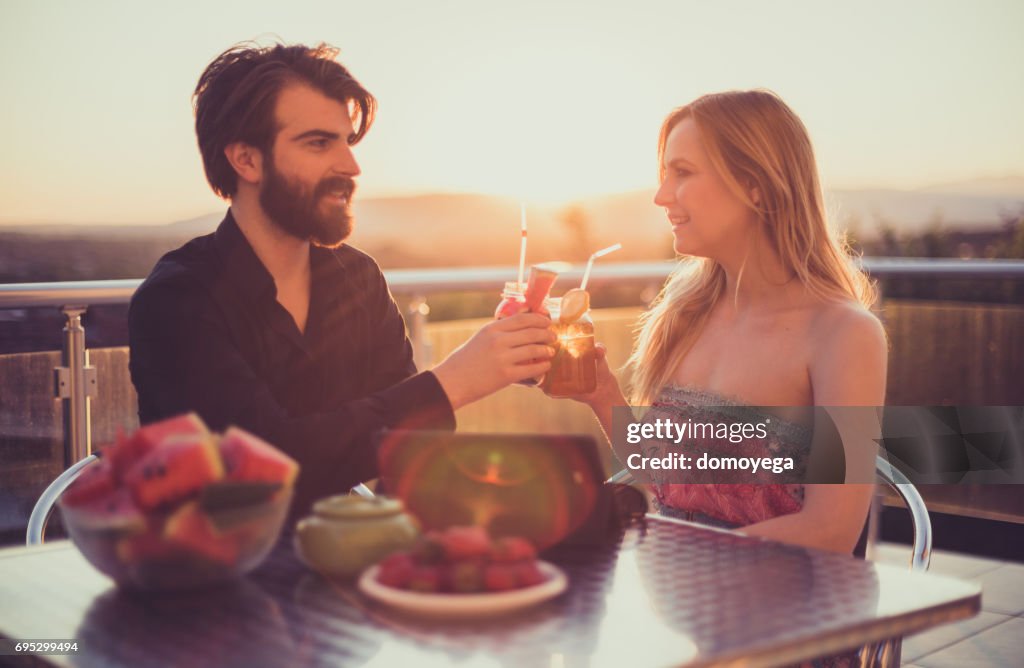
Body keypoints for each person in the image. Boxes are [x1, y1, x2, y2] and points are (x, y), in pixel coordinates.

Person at [128, 42, 556, 517]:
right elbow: (265, 467)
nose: (351, 166)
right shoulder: (178, 300)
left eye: (347, 141)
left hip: (340, 563)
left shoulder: (357, 279)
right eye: (318, 143)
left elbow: (409, 443)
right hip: (209, 575)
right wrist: (455, 380)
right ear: (246, 160)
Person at [561, 90, 886, 555]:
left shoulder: (844, 333)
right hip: (682, 601)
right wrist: (602, 394)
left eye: (683, 173)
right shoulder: (685, 315)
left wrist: (684, 565)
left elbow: (830, 532)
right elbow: (670, 479)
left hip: (784, 611)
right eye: (663, 174)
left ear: (755, 183)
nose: (660, 195)